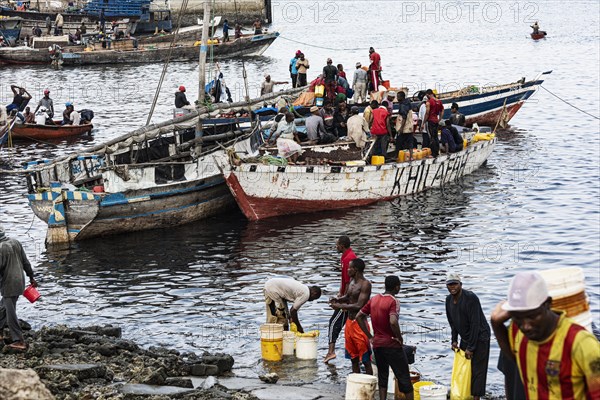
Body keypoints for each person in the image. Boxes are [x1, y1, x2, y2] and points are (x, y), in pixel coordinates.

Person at [490, 271, 600, 400]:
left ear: (547, 304)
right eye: (518, 317)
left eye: (532, 316)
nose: (526, 326)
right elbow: (515, 363)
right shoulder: (517, 330)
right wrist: (496, 324)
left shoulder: (580, 342)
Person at [357, 276, 413, 400]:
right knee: (404, 379)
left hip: (377, 345)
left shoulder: (374, 299)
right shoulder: (394, 301)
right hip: (392, 345)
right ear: (397, 287)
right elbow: (393, 321)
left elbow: (359, 316)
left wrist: (370, 336)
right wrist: (399, 338)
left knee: (383, 377)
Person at [445, 273, 491, 400]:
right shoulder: (448, 300)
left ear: (460, 285)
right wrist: (454, 340)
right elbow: (452, 322)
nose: (452, 287)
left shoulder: (471, 298)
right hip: (466, 337)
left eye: (455, 284)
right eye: (450, 284)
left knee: (478, 369)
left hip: (481, 336)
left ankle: (476, 397)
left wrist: (471, 348)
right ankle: (465, 393)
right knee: (466, 367)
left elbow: (475, 323)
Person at [330, 259, 373, 375]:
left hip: (360, 324)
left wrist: (339, 305)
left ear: (356, 270)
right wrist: (337, 299)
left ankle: (369, 384)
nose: (347, 270)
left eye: (349, 268)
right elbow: (348, 296)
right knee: (353, 358)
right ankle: (356, 380)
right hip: (349, 323)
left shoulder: (365, 284)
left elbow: (360, 305)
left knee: (365, 360)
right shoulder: (352, 282)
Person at [0, 224, 38, 351]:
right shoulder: (15, 242)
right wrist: (31, 277)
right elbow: (25, 262)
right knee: (3, 307)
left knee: (11, 313)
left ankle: (19, 340)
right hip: (20, 281)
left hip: (9, 284)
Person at [324, 236, 357, 363]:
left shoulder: (349, 258)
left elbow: (349, 282)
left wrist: (343, 300)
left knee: (334, 323)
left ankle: (331, 352)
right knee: (350, 325)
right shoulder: (344, 257)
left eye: (337, 244)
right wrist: (340, 292)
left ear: (342, 246)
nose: (336, 246)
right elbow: (343, 280)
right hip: (345, 296)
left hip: (348, 300)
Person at [395, 91, 415, 160]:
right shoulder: (408, 102)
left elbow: (404, 117)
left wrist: (401, 128)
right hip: (410, 126)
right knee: (410, 142)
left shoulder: (403, 105)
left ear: (401, 97)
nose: (397, 98)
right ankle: (411, 157)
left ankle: (398, 157)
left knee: (399, 142)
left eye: (398, 96)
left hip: (405, 128)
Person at [423, 89, 443, 157]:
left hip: (431, 121)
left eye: (426, 95)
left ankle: (433, 153)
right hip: (436, 120)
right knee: (436, 136)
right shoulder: (439, 101)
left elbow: (427, 113)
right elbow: (442, 110)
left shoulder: (429, 102)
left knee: (432, 137)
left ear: (428, 94)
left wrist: (423, 122)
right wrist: (439, 118)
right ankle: (436, 152)